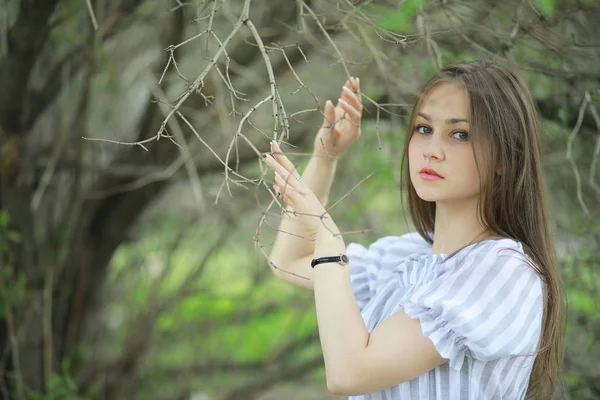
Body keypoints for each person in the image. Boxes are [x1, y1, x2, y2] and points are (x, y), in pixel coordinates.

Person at [262, 60, 565, 400]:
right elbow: (288, 260)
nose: (431, 151)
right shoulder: (406, 257)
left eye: (460, 134)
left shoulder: (504, 271)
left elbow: (349, 372)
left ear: (502, 158)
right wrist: (325, 158)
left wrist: (328, 238)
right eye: (424, 129)